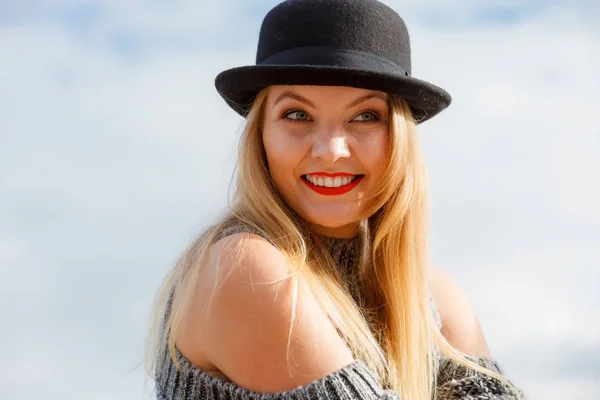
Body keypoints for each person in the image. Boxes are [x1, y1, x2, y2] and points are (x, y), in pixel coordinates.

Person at [145, 1, 525, 399]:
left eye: (365, 116)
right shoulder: (247, 268)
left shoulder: (432, 297)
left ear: (400, 139)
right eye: (297, 114)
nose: (330, 150)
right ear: (260, 135)